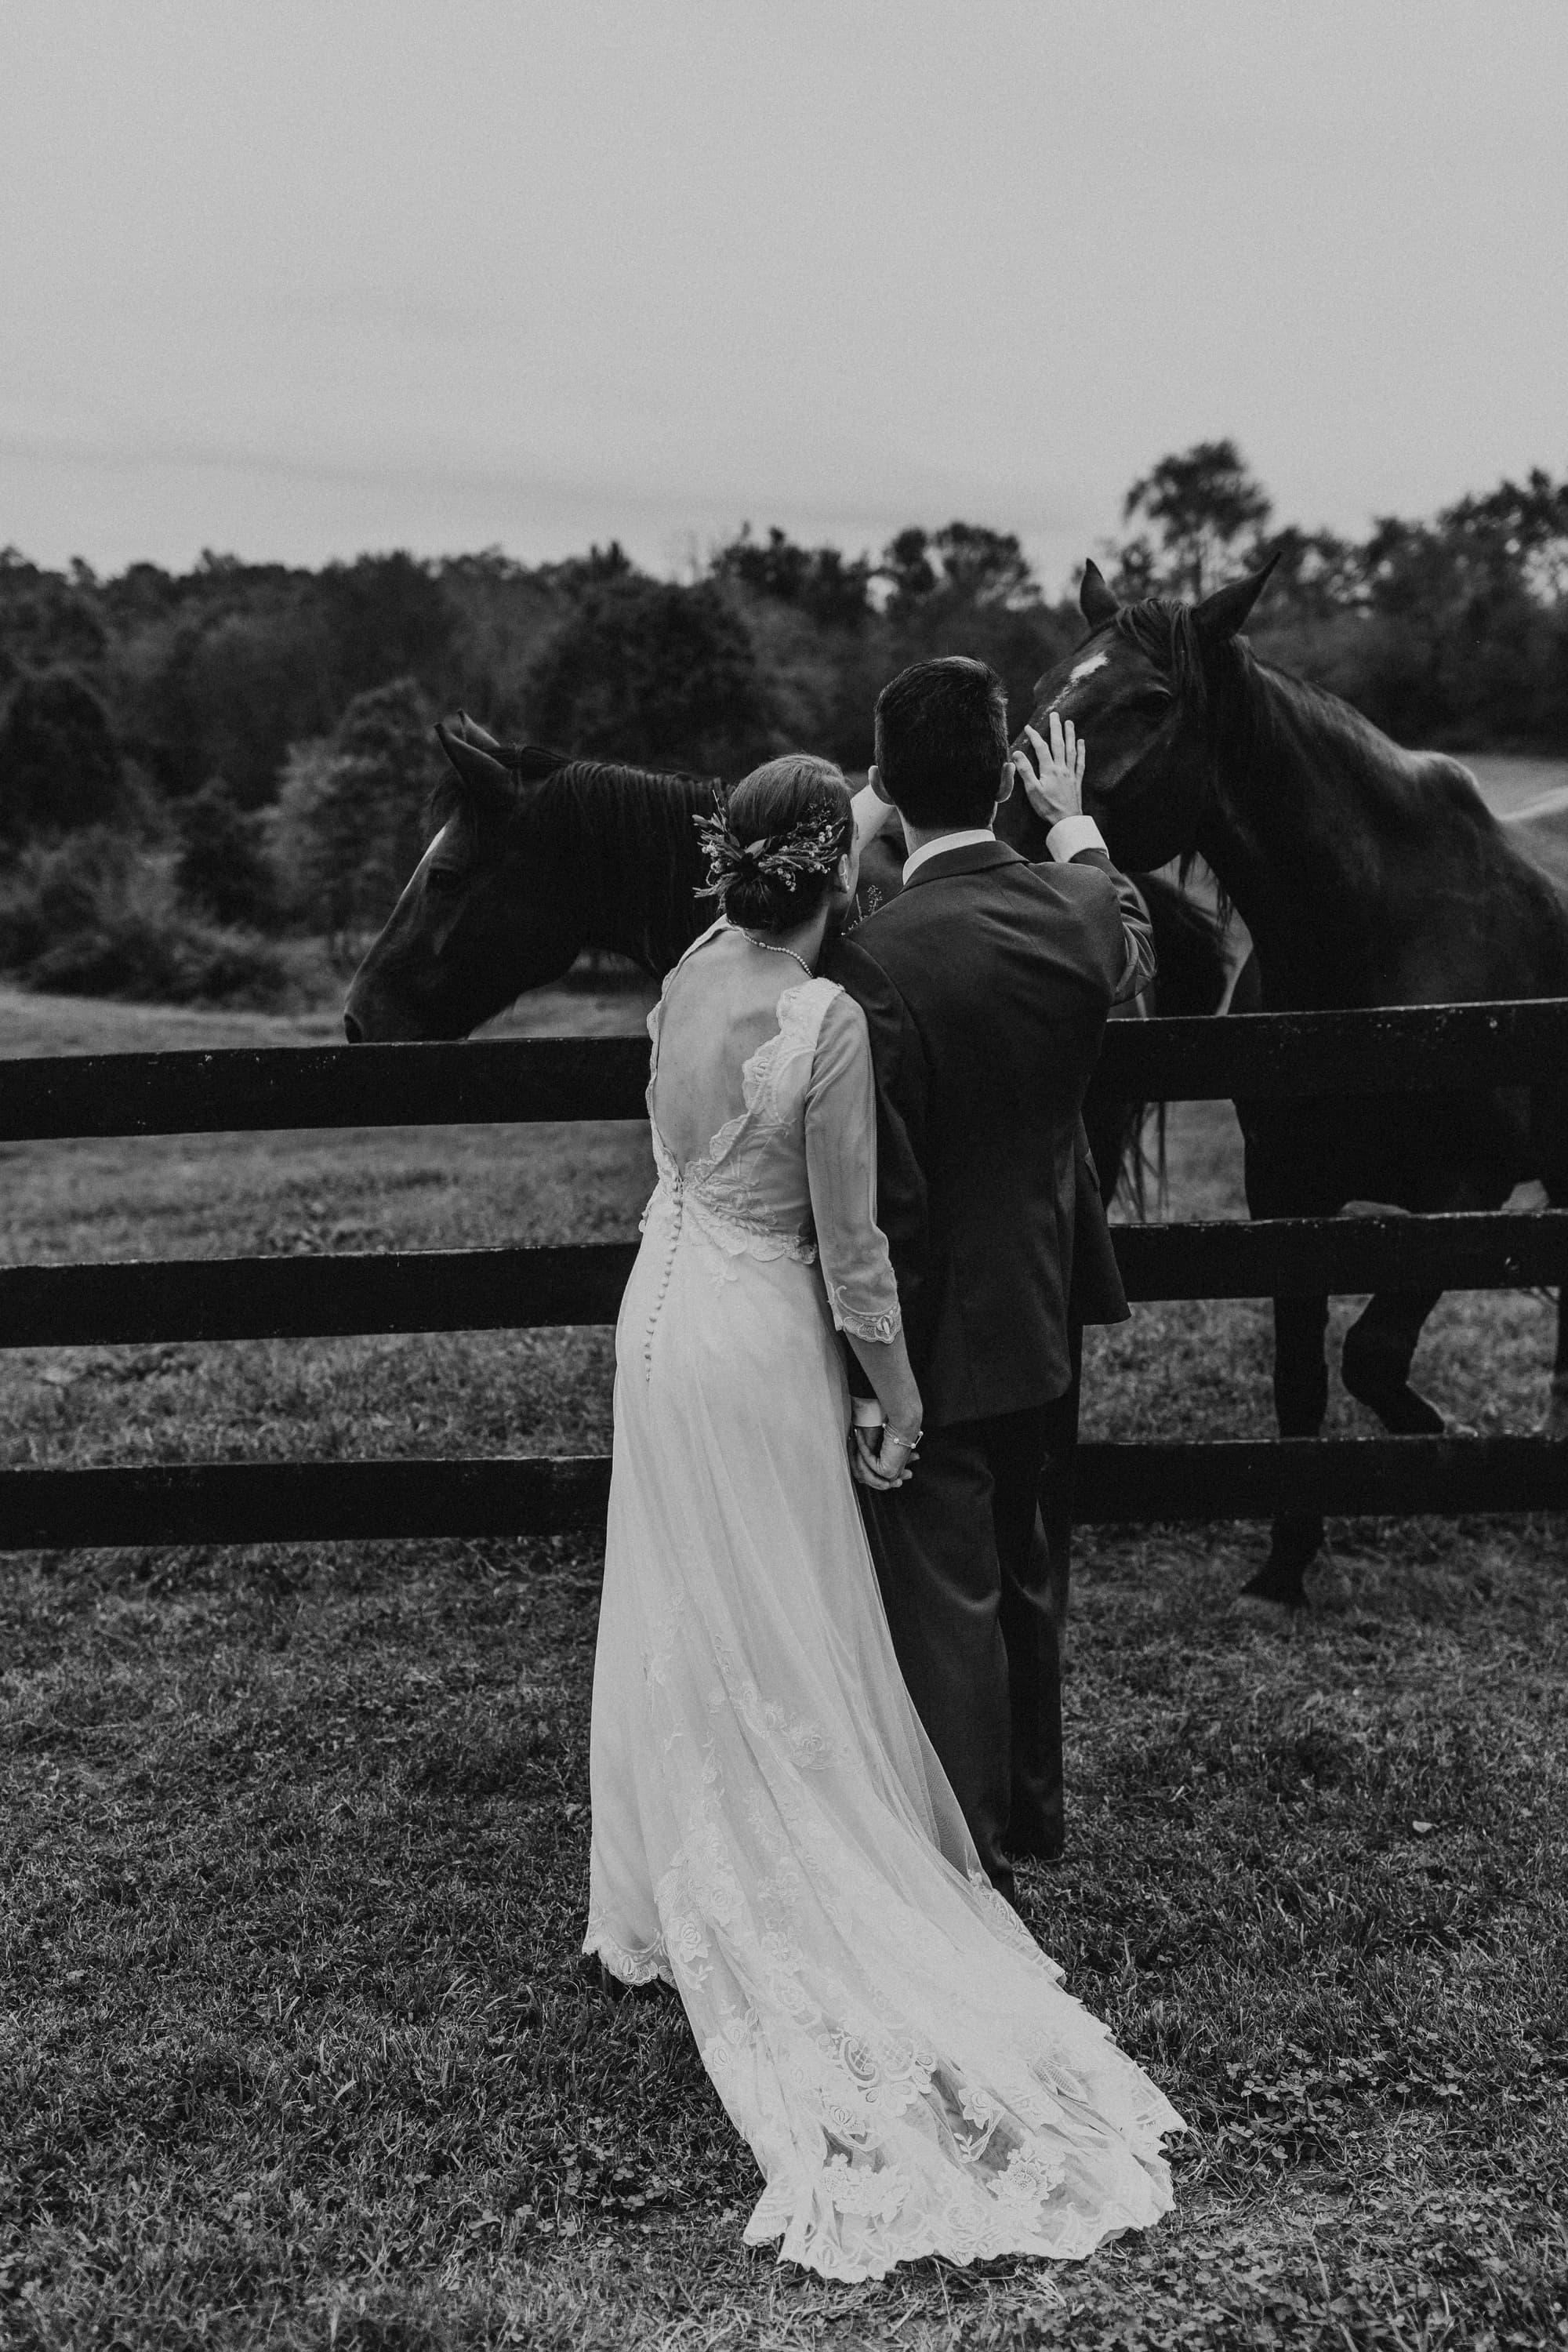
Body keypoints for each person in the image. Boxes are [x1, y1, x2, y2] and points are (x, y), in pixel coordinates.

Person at [584, 750, 1180, 2280]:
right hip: (764, 1339)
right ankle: (825, 1852)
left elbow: (671, 1153)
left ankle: (662, 1879)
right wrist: (897, 1398)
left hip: (656, 1326)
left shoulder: (690, 972)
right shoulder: (825, 1020)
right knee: (787, 1606)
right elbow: (852, 1255)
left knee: (679, 1596)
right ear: (836, 874)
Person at [826, 658, 1155, 1903]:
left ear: (888, 785)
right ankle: (1034, 1813)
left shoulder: (872, 958)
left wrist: (877, 1381)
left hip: (934, 1322)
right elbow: (1127, 934)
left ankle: (966, 1852)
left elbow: (887, 1195)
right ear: (1008, 767)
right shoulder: (1077, 915)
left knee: (949, 1584)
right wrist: (1071, 816)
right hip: (1049, 1296)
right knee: (1029, 1567)